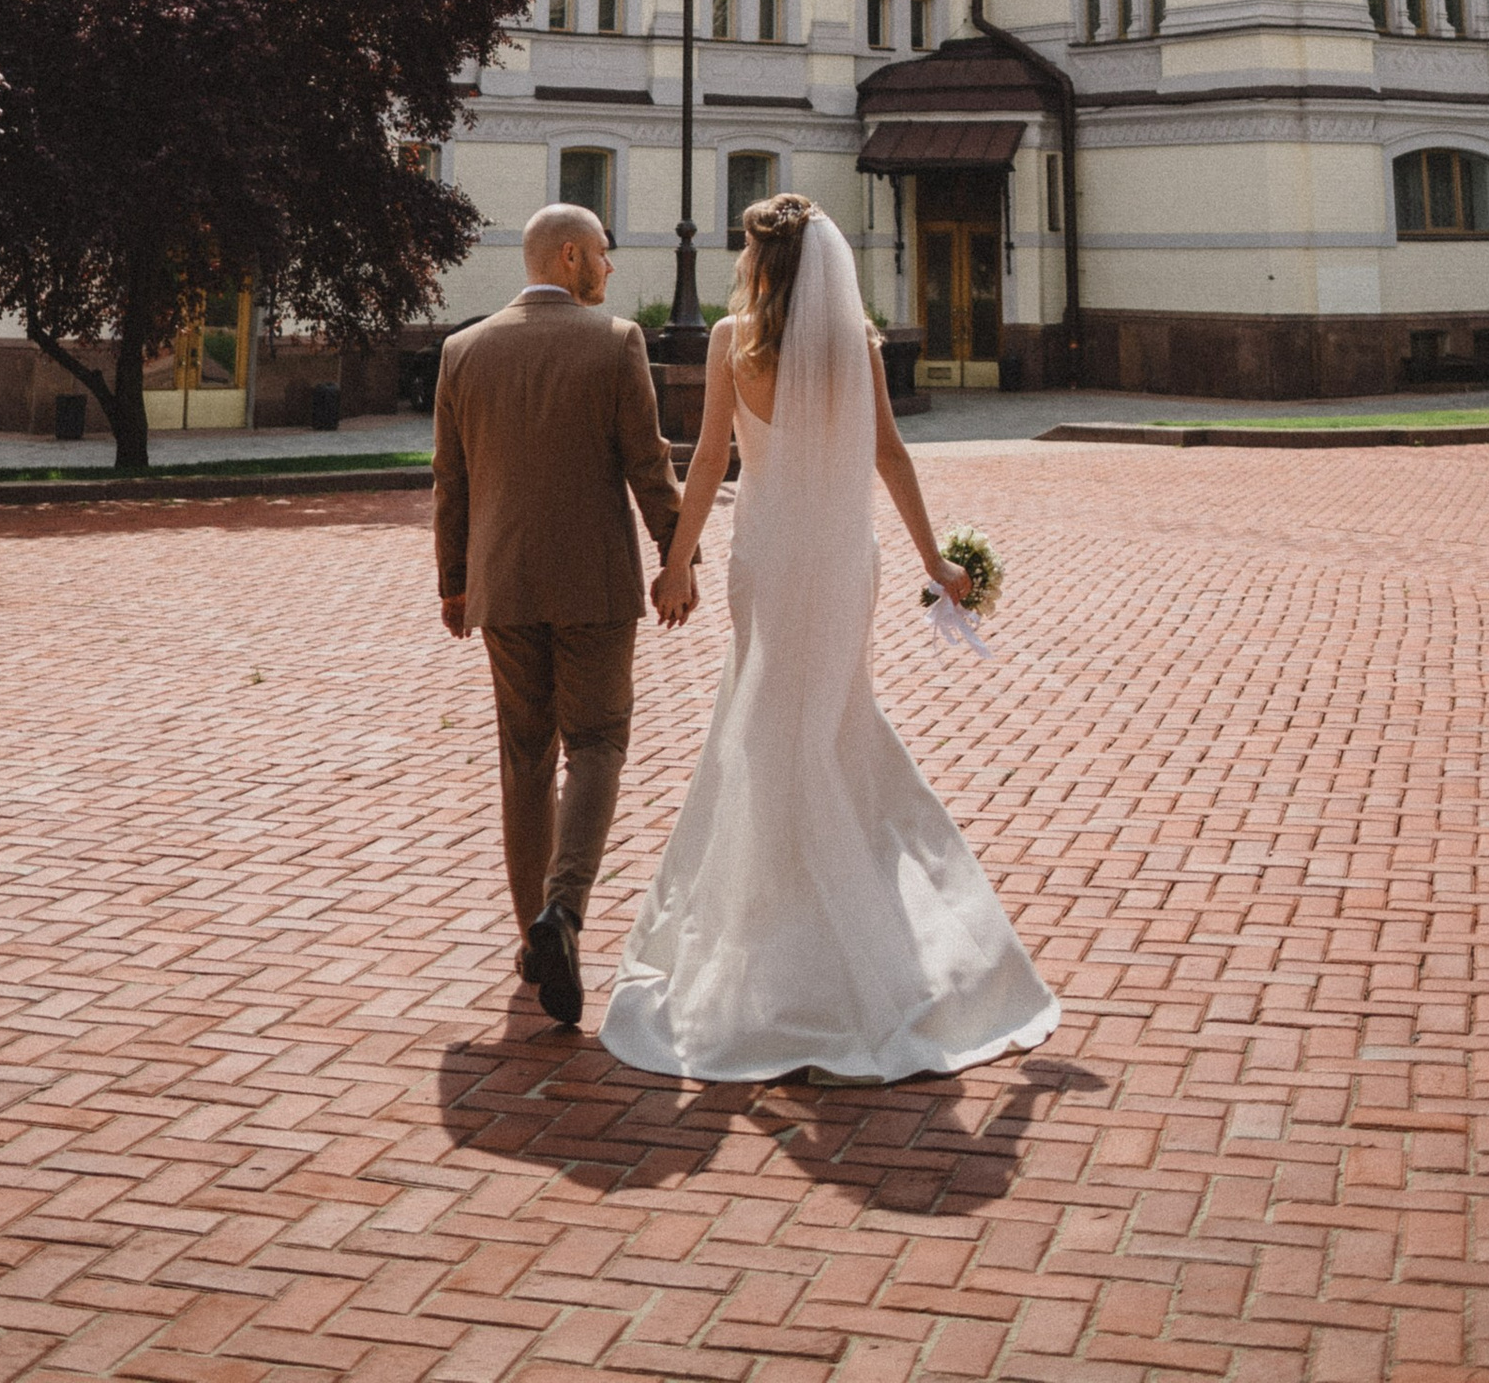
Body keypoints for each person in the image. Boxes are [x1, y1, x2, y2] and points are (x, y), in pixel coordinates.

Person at [599, 193, 1058, 1084]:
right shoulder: (858, 347)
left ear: (760, 264)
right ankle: (838, 922)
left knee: (769, 723)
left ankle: (781, 932)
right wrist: (938, 565)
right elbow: (891, 454)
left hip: (768, 557)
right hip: (843, 559)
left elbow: (708, 458)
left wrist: (678, 561)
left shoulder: (736, 340)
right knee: (833, 722)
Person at [432, 199, 689, 1029]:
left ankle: (531, 943)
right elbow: (647, 465)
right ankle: (565, 913)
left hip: (502, 587)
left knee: (525, 755)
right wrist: (675, 558)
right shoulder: (614, 342)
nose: (611, 268)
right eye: (605, 254)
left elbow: (452, 482)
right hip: (594, 585)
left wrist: (454, 580)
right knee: (600, 742)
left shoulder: (461, 350)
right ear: (572, 258)